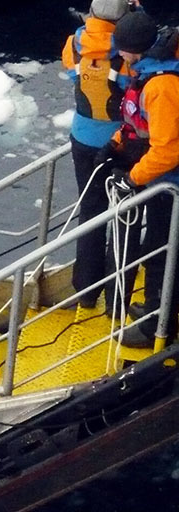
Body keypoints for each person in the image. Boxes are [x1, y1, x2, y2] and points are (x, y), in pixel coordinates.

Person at [99, 10, 179, 347]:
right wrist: (116, 143)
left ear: (136, 50)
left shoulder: (160, 86)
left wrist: (133, 178)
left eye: (124, 50)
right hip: (163, 180)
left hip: (171, 183)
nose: (121, 57)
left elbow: (168, 149)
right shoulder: (149, 73)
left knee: (163, 250)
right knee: (156, 247)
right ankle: (154, 309)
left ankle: (156, 326)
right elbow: (139, 124)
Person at [62, 0, 137, 309]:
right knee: (125, 217)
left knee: (90, 212)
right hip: (120, 144)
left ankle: (86, 290)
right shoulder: (127, 51)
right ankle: (116, 298)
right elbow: (136, 83)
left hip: (82, 137)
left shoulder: (75, 43)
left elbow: (70, 73)